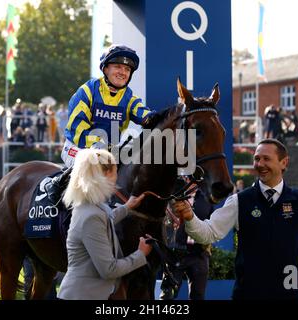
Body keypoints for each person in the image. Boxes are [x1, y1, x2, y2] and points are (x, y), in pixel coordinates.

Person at [172, 138, 298, 300]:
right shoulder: (239, 201)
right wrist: (190, 217)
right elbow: (209, 234)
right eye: (256, 158)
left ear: (284, 162)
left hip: (292, 296)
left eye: (266, 159)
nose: (259, 164)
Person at [47, 44, 159, 204]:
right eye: (118, 67)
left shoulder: (128, 98)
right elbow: (77, 132)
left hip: (109, 153)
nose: (123, 72)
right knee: (93, 164)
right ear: (105, 69)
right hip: (77, 148)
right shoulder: (86, 92)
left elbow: (145, 115)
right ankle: (57, 185)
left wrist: (161, 118)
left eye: (127, 69)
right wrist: (103, 147)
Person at [57, 148, 152, 300]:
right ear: (106, 175)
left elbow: (105, 220)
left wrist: (127, 207)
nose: (117, 178)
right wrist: (141, 254)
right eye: (115, 172)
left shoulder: (88, 206)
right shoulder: (92, 216)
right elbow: (109, 270)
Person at [159, 189, 213, 300]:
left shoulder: (206, 198)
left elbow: (212, 224)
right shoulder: (171, 196)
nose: (191, 179)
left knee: (198, 296)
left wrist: (207, 245)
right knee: (168, 295)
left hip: (199, 253)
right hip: (175, 254)